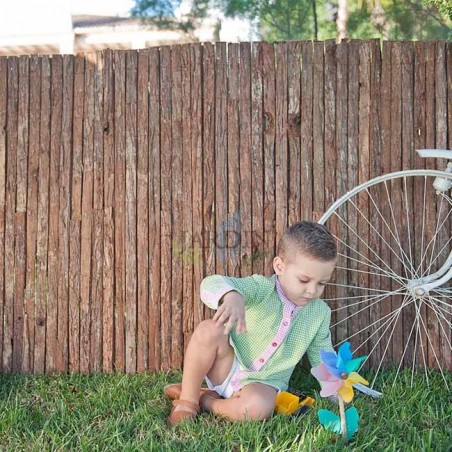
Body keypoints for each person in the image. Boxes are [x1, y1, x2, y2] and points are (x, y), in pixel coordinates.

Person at [164, 221, 337, 425]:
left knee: (258, 406)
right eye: (304, 280)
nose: (312, 290)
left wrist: (335, 389)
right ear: (279, 266)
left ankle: (206, 400)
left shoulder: (319, 313)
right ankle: (187, 401)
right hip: (226, 366)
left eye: (321, 283)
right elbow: (210, 284)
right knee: (208, 330)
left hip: (264, 385)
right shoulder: (261, 288)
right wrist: (231, 295)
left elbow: (322, 355)